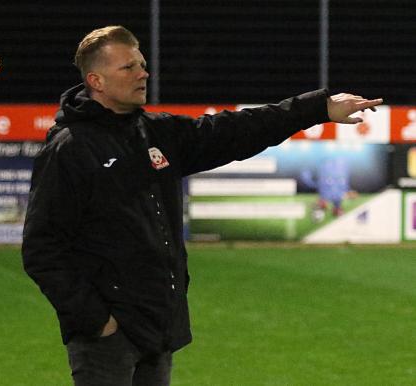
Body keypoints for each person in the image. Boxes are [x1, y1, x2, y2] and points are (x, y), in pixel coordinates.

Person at [21, 25, 382, 386]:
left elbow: (236, 130)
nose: (143, 73)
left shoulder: (156, 132)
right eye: (128, 67)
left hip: (158, 327)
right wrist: (97, 321)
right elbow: (42, 248)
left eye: (142, 64)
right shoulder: (70, 149)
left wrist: (316, 108)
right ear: (96, 81)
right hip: (107, 339)